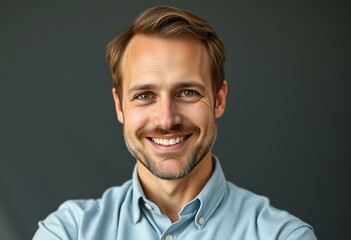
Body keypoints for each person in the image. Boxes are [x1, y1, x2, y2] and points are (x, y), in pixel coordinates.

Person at [33, 5, 317, 240]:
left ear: (219, 100)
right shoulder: (69, 231)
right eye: (145, 95)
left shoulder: (284, 236)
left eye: (188, 92)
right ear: (120, 106)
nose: (167, 119)